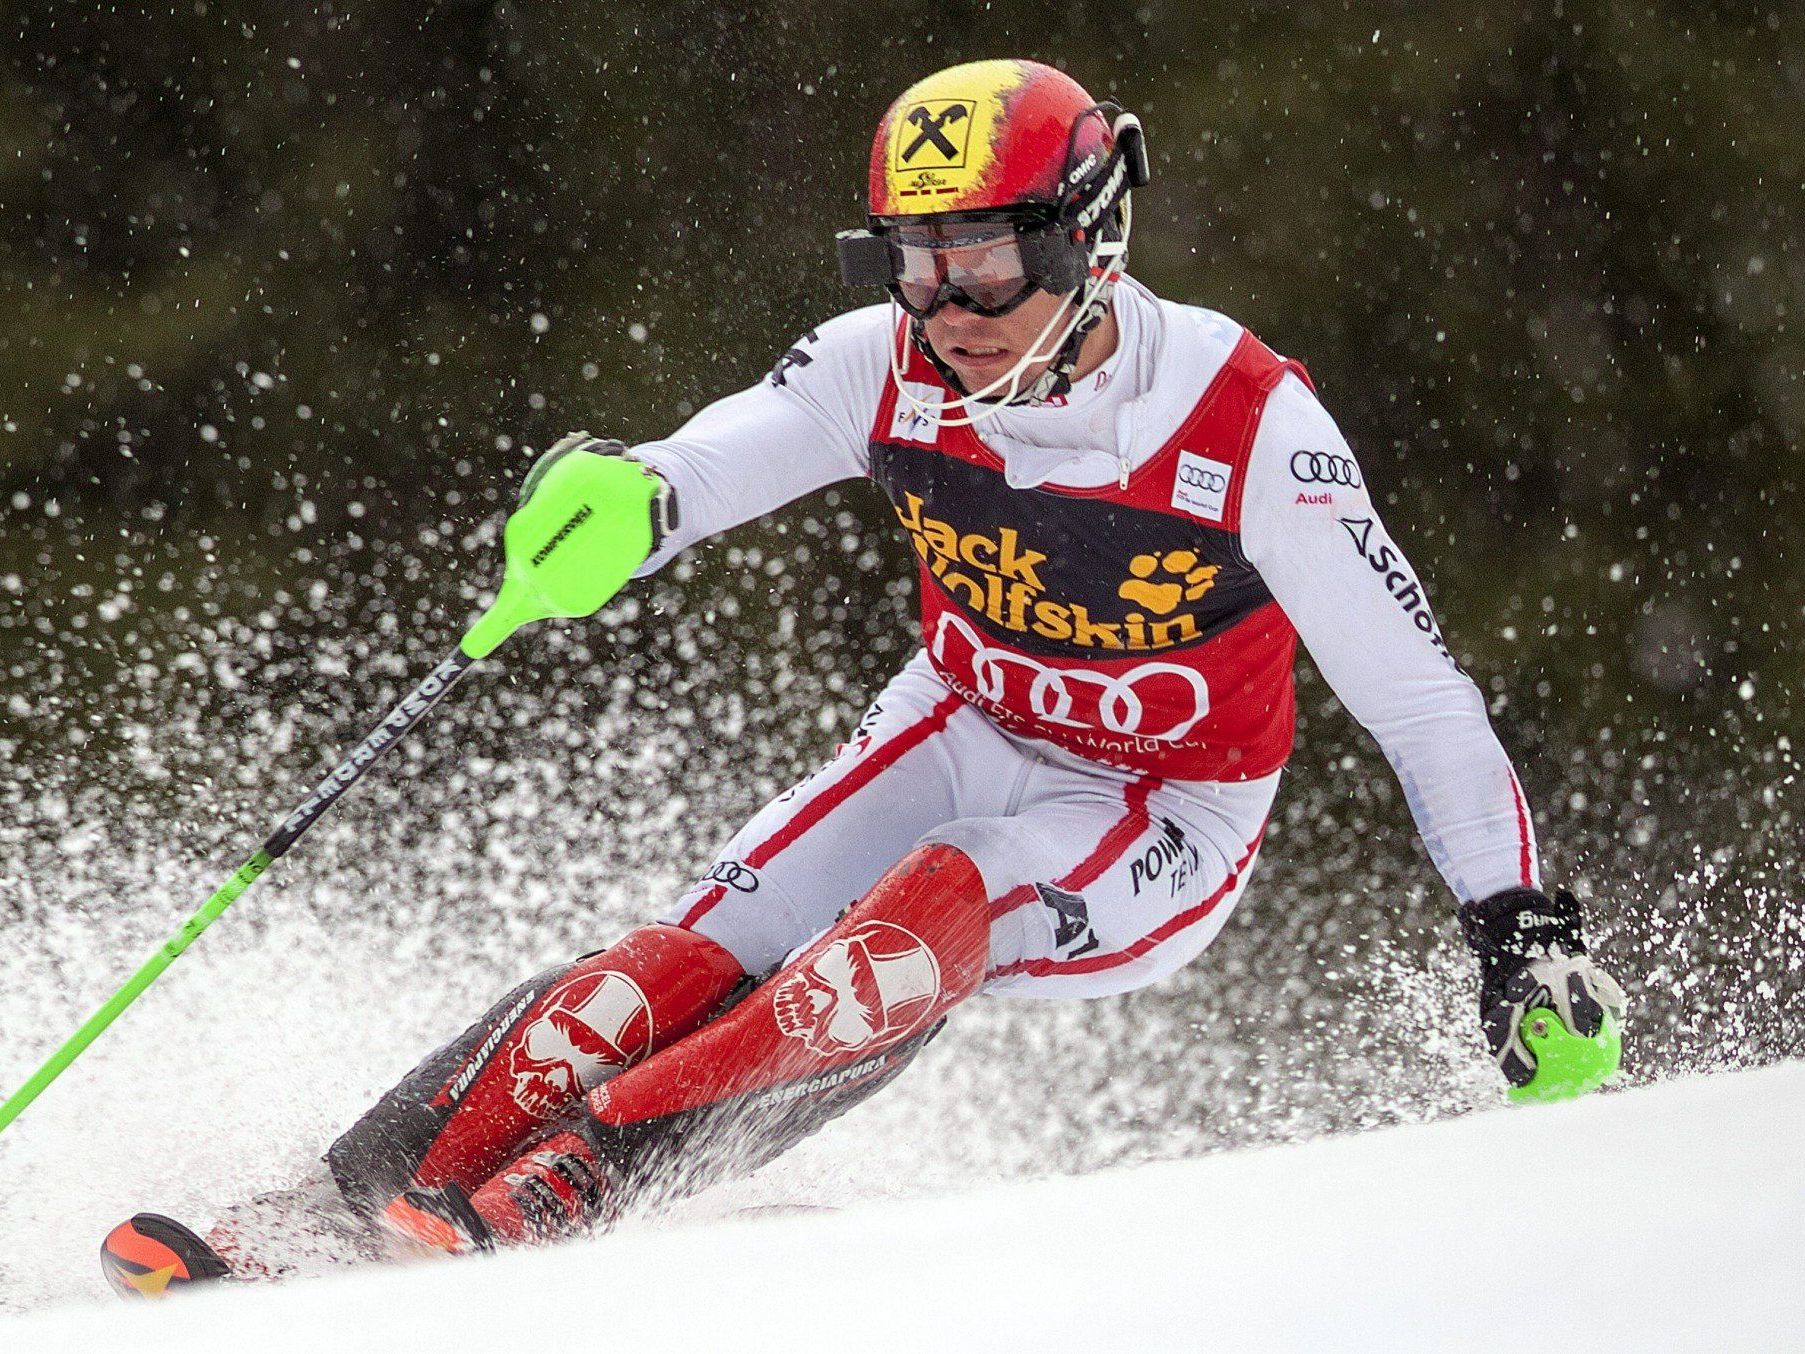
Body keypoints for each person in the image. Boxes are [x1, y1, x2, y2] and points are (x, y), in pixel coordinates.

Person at [101, 57, 1625, 1292]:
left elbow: (1418, 698)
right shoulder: (883, 363)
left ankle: (575, 1185)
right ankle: (337, 1205)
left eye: (986, 261)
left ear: (1087, 239)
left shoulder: (1246, 423)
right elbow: (708, 465)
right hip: (960, 719)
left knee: (928, 909)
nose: (947, 309)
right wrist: (626, 501)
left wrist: (1518, 930)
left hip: (1161, 805)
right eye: (913, 261)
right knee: (677, 957)